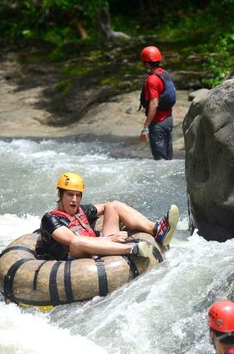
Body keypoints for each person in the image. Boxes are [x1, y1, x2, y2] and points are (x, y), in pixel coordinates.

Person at [36, 172, 179, 261]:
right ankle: (133, 249)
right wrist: (107, 239)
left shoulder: (81, 211)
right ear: (60, 194)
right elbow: (71, 240)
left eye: (78, 195)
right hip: (76, 256)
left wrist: (108, 235)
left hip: (102, 244)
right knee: (76, 242)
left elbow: (105, 206)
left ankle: (156, 230)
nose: (74, 199)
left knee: (113, 205)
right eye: (70, 194)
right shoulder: (50, 219)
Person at [138, 45, 176, 161]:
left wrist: (145, 127)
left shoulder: (152, 80)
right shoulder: (164, 74)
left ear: (147, 64)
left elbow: (154, 104)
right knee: (168, 157)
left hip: (158, 123)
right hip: (169, 120)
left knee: (160, 161)